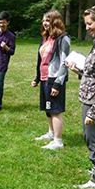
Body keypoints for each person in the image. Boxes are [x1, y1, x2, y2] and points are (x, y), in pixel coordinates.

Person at [67, 5, 95, 189]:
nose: (87, 28)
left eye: (89, 24)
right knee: (90, 137)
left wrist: (94, 112)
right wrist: (79, 70)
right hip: (90, 98)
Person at [31, 10, 70, 150]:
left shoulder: (63, 39)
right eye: (43, 21)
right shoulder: (46, 38)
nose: (44, 23)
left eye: (47, 20)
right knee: (48, 108)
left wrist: (57, 84)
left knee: (55, 110)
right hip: (44, 78)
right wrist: (37, 78)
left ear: (55, 21)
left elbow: (64, 63)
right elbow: (40, 59)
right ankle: (51, 133)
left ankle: (58, 141)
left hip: (54, 79)